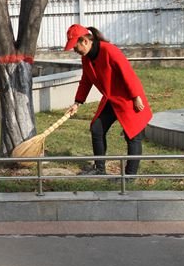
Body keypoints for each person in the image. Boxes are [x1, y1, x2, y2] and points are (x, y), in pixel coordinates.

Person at [64, 24, 152, 178]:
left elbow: (127, 72)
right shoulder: (86, 58)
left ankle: (129, 177)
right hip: (111, 99)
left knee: (132, 136)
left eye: (75, 46)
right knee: (97, 129)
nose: (74, 50)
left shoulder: (109, 50)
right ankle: (99, 169)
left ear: (85, 41)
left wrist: (136, 96)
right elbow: (86, 80)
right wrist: (77, 102)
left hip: (128, 98)